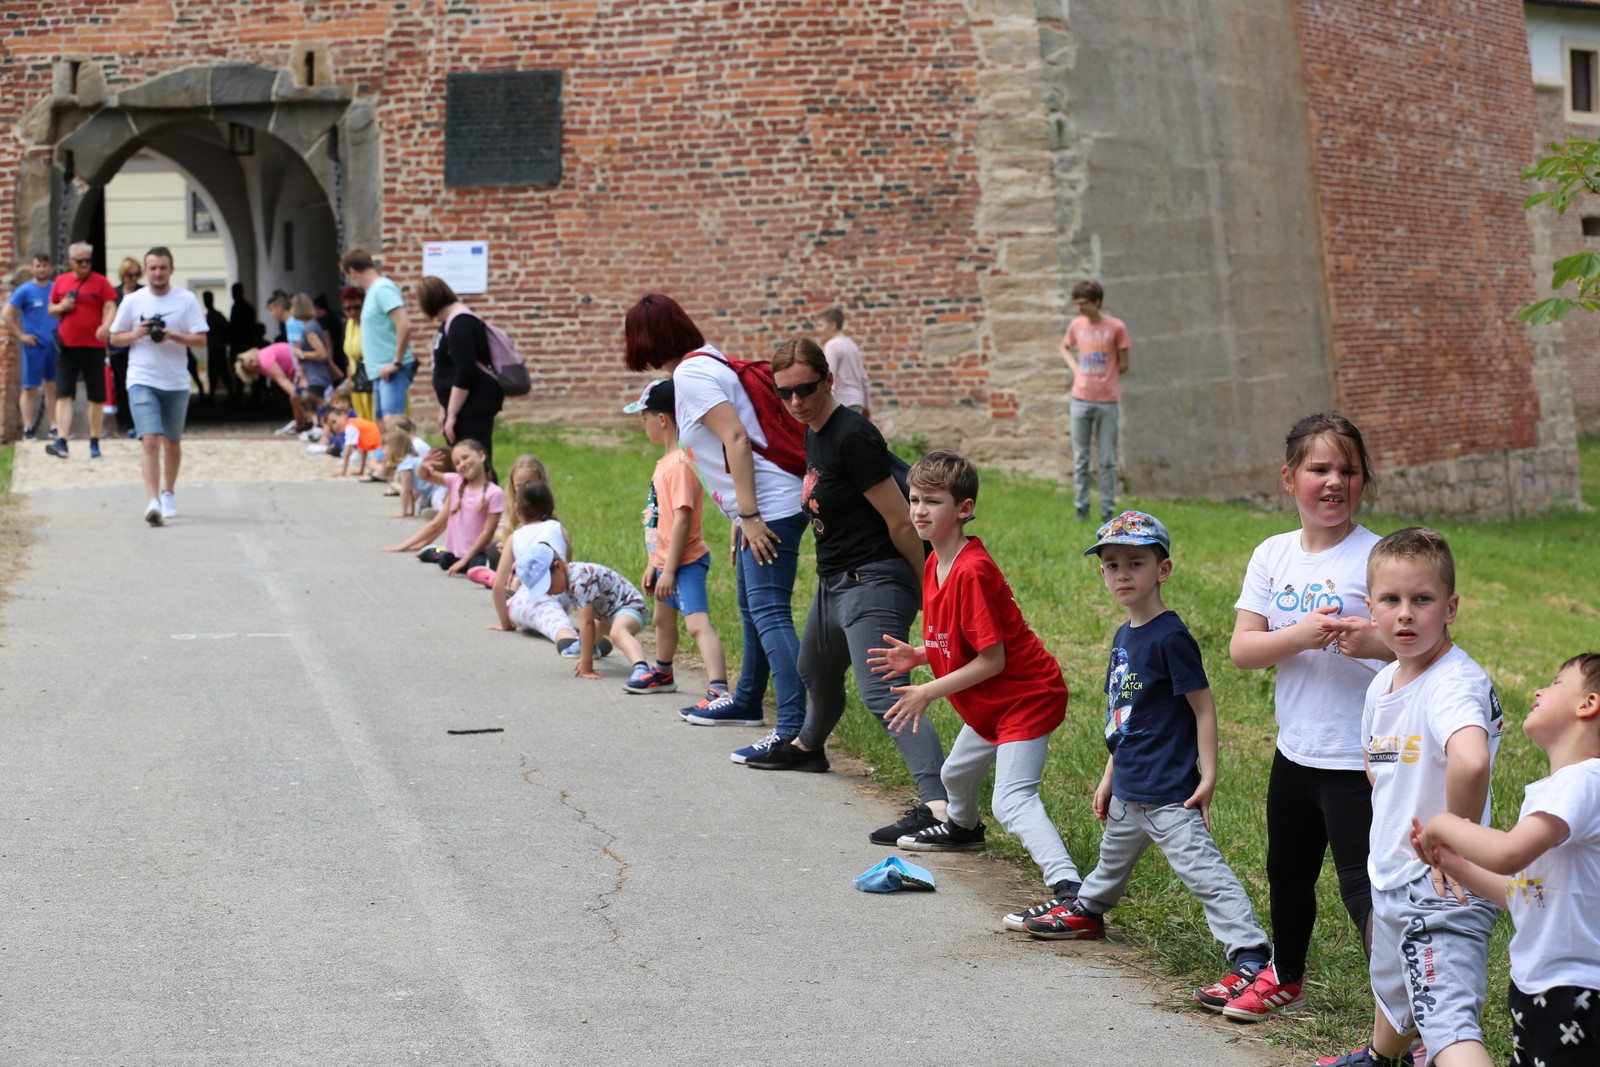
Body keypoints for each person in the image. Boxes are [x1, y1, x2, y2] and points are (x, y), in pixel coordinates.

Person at [1023, 511, 1275, 1001]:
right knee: (1108, 867)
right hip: (1128, 792)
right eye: (1112, 564)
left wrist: (1208, 777)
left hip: (1168, 795)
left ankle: (1251, 956)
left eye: (1135, 563)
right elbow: (1124, 717)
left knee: (1207, 877)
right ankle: (1088, 913)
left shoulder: (1170, 636)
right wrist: (1107, 777)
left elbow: (1203, 708)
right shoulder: (1124, 637)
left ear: (1163, 569)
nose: (1122, 574)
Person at [1219, 413, 1392, 1020]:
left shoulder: (1377, 557)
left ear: (1363, 480)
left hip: (1360, 760)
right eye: (1319, 469)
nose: (1334, 481)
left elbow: (1420, 647)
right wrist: (1302, 633)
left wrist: (1372, 644)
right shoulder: (1273, 554)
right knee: (1287, 876)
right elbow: (1243, 650)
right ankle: (1285, 975)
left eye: (1348, 470)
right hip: (1295, 754)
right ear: (1289, 478)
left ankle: (1407, 1012)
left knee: (1365, 892)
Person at [866, 450, 1083, 931]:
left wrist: (927, 691)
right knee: (955, 775)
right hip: (992, 699)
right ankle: (963, 830)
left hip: (1025, 695)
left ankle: (1071, 892)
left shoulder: (971, 570)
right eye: (914, 499)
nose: (919, 510)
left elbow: (994, 659)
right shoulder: (935, 563)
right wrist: (920, 654)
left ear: (964, 508)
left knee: (1012, 799)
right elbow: (960, 642)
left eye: (933, 501)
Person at [747, 340, 951, 841]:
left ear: (828, 380)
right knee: (814, 669)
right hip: (834, 582)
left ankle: (945, 811)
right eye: (785, 393)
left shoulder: (852, 436)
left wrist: (932, 588)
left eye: (805, 389)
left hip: (875, 580)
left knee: (882, 693)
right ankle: (808, 748)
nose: (795, 401)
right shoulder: (816, 432)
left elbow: (901, 522)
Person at [1315, 527, 1504, 1067]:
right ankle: (1380, 1056)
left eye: (1421, 600)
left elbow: (1471, 759)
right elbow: (1380, 770)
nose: (1404, 614)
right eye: (1390, 600)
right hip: (1395, 873)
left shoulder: (1452, 685)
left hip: (1441, 887)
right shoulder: (1386, 682)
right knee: (1396, 985)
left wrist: (1454, 845)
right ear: (1369, 608)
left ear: (1450, 608)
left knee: (1445, 1021)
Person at [623, 293, 807, 765]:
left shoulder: (690, 374)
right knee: (751, 605)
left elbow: (737, 438)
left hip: (771, 507)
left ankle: (794, 732)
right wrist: (737, 513)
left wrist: (749, 514)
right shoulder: (708, 360)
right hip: (762, 504)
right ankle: (746, 701)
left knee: (769, 612)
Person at [1413, 653, 1600, 1067]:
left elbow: (1508, 852)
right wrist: (1454, 863)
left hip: (1577, 994)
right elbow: (1521, 893)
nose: (1539, 690)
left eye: (1554, 682)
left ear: (1587, 704)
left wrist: (1444, 822)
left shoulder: (1583, 781)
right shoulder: (1559, 790)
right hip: (1541, 990)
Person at [623, 379, 727, 699]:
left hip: (686, 562)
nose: (644, 425)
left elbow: (682, 519)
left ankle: (719, 689)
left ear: (662, 419)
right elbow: (660, 521)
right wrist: (653, 564)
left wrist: (669, 569)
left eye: (644, 418)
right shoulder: (667, 462)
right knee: (662, 618)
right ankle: (663, 672)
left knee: (697, 624)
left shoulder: (680, 464)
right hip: (666, 561)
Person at [107, 247, 207, 526]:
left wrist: (172, 334)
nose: (158, 273)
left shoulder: (186, 300)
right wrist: (137, 333)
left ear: (171, 270)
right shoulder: (132, 300)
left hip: (175, 381)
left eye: (163, 267)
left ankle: (169, 492)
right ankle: (153, 501)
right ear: (146, 270)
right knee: (149, 440)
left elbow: (201, 340)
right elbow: (114, 338)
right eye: (152, 268)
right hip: (142, 378)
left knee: (172, 441)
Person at [417, 276, 503, 479]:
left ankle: (489, 504)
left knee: (475, 457)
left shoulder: (461, 323)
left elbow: (464, 371)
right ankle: (467, 505)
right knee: (463, 458)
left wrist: (452, 413)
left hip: (473, 403)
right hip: (460, 403)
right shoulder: (450, 323)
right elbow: (446, 369)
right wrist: (444, 409)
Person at [1060, 279, 1130, 523]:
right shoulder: (1076, 325)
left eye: (1084, 304)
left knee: (1107, 460)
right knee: (1080, 459)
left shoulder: (1116, 328)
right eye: (1076, 304)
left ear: (1097, 302)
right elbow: (1064, 347)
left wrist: (1105, 376)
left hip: (1107, 401)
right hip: (1080, 399)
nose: (1079, 309)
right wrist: (1075, 367)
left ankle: (1108, 511)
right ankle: (1082, 509)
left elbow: (1124, 363)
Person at [486, 478, 583, 652]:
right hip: (560, 593)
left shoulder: (515, 537)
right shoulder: (559, 529)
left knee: (536, 610)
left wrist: (505, 623)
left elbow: (497, 586)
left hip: (526, 598)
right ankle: (576, 638)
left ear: (517, 510)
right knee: (551, 614)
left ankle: (569, 638)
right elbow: (567, 566)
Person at [386, 439, 502, 575]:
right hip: (453, 553)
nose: (462, 464)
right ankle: (436, 551)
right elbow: (425, 476)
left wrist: (464, 560)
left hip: (476, 552)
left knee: (476, 566)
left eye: (465, 457)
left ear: (481, 456)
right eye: (457, 462)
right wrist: (424, 465)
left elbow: (487, 533)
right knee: (445, 563)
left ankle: (475, 565)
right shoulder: (455, 481)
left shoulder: (494, 493)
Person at [46, 241, 118, 460]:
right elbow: (51, 308)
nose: (85, 264)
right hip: (67, 346)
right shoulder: (61, 281)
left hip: (94, 347)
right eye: (80, 261)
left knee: (96, 396)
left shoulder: (101, 282)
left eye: (88, 260)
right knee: (64, 393)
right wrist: (61, 307)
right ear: (71, 262)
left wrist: (106, 325)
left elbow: (110, 305)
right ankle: (62, 440)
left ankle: (94, 441)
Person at [340, 248, 415, 423]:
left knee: (394, 425)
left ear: (352, 271)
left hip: (391, 370)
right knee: (382, 427)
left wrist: (396, 361)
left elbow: (404, 324)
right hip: (379, 372)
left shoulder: (383, 288)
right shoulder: (373, 292)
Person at [551, 558, 651, 683]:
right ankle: (588, 647)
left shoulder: (580, 580)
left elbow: (587, 623)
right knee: (595, 629)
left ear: (558, 567)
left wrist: (586, 665)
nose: (548, 593)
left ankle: (642, 669)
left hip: (632, 608)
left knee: (618, 632)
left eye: (547, 585)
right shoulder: (568, 575)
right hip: (609, 614)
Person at [6, 252, 57, 442]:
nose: (42, 269)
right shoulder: (25, 290)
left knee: (53, 387)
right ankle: (28, 428)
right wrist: (21, 335)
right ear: (32, 268)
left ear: (50, 268)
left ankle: (55, 426)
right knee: (29, 388)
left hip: (54, 344)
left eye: (45, 265)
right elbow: (7, 314)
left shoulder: (56, 288)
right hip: (34, 345)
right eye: (38, 266)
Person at [233, 343, 313, 432]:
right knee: (297, 398)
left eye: (251, 361)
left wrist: (296, 393)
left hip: (303, 365)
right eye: (251, 367)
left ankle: (304, 424)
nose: (254, 364)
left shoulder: (264, 360)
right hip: (299, 367)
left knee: (296, 398)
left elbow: (283, 381)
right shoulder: (263, 358)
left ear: (251, 354)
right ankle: (304, 423)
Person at [107, 257, 144, 438]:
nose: (134, 278)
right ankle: (127, 422)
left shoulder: (144, 292)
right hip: (119, 347)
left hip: (140, 345)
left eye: (137, 274)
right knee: (122, 386)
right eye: (130, 274)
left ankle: (139, 423)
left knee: (140, 385)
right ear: (123, 275)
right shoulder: (114, 294)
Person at [818, 307, 869, 415]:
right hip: (857, 400)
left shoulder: (832, 345)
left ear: (833, 325)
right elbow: (863, 377)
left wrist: (826, 405)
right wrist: (867, 405)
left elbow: (830, 376)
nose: (819, 329)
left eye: (821, 325)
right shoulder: (852, 345)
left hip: (842, 401)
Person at [290, 291, 335, 404]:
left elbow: (322, 353)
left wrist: (301, 354)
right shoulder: (311, 325)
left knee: (315, 412)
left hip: (316, 378)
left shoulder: (309, 329)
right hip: (316, 377)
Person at [340, 285, 375, 423]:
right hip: (357, 380)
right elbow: (350, 355)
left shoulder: (370, 323)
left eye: (357, 307)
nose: (353, 312)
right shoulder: (349, 324)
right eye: (348, 309)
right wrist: (350, 379)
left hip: (371, 378)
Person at [323, 401, 381, 479]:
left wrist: (343, 471)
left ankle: (387, 472)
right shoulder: (355, 424)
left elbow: (348, 449)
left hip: (383, 446)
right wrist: (361, 470)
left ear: (343, 415)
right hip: (382, 446)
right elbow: (363, 450)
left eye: (334, 422)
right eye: (331, 426)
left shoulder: (351, 426)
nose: (334, 426)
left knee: (372, 464)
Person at [201, 290, 232, 403]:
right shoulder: (213, 316)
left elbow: (225, 331)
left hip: (217, 347)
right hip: (214, 347)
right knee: (214, 372)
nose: (206, 302)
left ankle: (230, 393)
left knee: (221, 371)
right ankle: (214, 395)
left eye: (207, 299)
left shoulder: (216, 316)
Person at [228, 282, 258, 366]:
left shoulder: (241, 307)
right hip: (243, 342)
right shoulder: (244, 307)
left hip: (242, 343)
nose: (233, 295)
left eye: (235, 292)